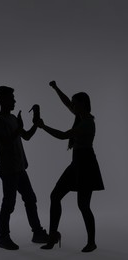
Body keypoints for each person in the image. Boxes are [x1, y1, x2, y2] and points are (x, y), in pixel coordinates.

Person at [38, 81, 104, 252]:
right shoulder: (80, 116)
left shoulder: (87, 122)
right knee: (55, 196)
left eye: (76, 103)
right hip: (77, 163)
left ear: (83, 104)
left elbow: (63, 135)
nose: (72, 105)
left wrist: (43, 126)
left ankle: (92, 242)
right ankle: (53, 235)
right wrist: (55, 88)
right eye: (73, 103)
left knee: (83, 205)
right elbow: (66, 102)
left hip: (86, 164)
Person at [0, 86, 48, 250]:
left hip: (19, 168)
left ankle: (37, 232)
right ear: (2, 100)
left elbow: (27, 136)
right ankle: (3, 237)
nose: (14, 100)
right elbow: (3, 146)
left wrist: (35, 124)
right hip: (8, 169)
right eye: (11, 98)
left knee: (30, 198)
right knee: (9, 203)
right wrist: (18, 129)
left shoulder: (13, 119)